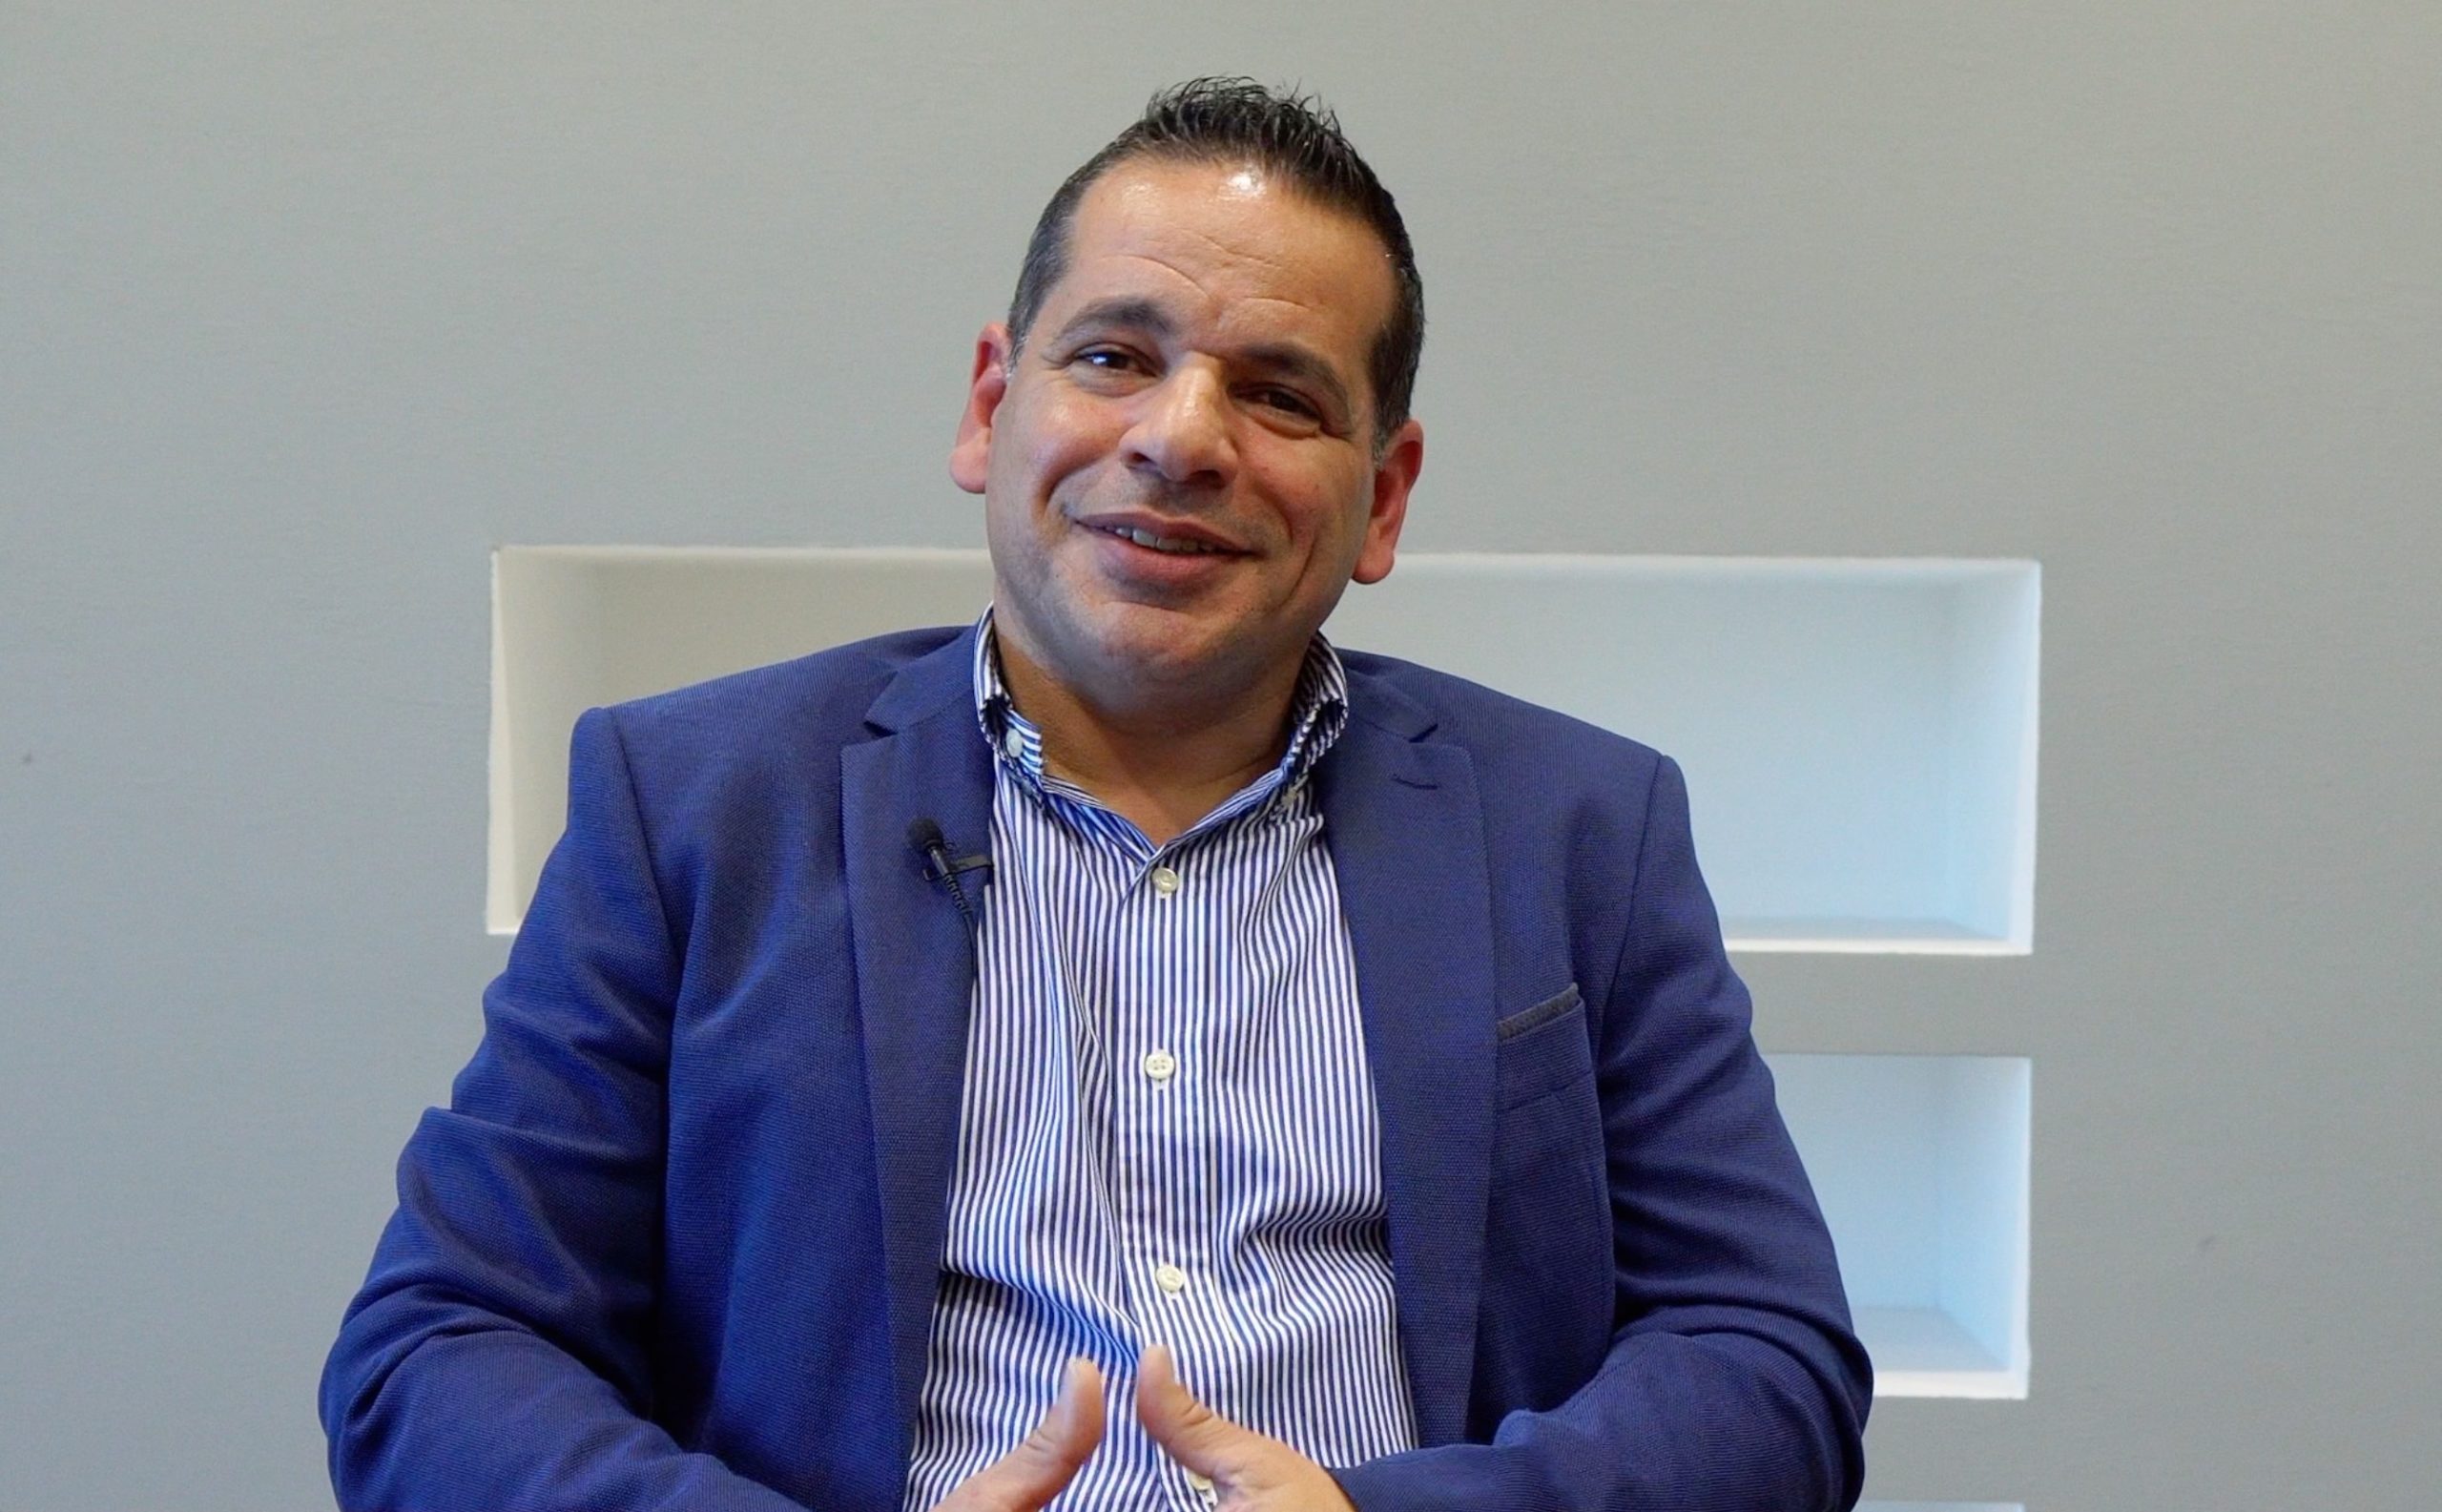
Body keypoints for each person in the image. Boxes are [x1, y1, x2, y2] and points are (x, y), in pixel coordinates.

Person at [321, 79, 1871, 1511]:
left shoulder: (1580, 827)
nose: (1181, 440)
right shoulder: (693, 804)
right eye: (1115, 357)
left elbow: (1767, 1356)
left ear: (1381, 495)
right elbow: (441, 1350)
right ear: (993, 408)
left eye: (1279, 394)